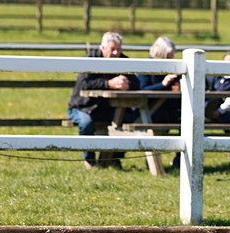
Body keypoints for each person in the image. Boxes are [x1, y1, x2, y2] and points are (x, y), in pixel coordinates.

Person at [66, 31, 140, 170]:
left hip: (107, 108)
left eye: (118, 49)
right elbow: (84, 84)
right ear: (103, 48)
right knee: (87, 123)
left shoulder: (123, 60)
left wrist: (127, 83)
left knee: (133, 118)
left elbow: (137, 82)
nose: (115, 53)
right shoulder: (90, 59)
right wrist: (109, 84)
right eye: (112, 49)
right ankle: (89, 160)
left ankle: (114, 157)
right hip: (83, 107)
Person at [135, 36, 182, 124]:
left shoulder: (174, 69)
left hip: (171, 111)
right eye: (167, 57)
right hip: (150, 111)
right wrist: (163, 84)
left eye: (171, 58)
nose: (170, 61)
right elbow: (143, 89)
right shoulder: (145, 66)